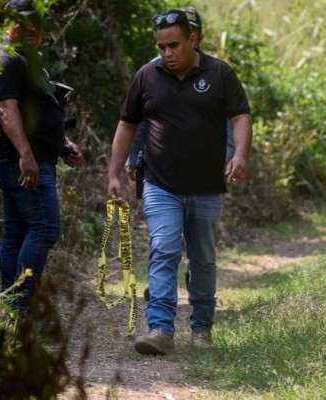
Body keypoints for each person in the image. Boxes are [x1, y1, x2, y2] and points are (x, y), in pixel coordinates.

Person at [107, 9, 252, 355]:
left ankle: (201, 330)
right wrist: (114, 172)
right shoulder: (147, 76)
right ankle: (160, 329)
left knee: (202, 258)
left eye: (174, 45)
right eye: (161, 46)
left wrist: (241, 155)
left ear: (194, 39)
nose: (167, 53)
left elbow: (240, 116)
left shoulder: (220, 73)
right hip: (160, 183)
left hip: (206, 187)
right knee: (164, 249)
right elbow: (127, 126)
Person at [0, 0, 82, 315]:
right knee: (44, 227)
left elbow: (34, 112)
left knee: (19, 230)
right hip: (21, 161)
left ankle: (13, 307)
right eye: (24, 25)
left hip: (30, 158)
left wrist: (62, 143)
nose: (33, 32)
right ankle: (22, 307)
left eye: (37, 26)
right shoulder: (7, 60)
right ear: (8, 26)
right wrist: (26, 154)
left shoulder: (27, 62)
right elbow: (6, 109)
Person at [124, 6, 234, 179]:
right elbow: (140, 118)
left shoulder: (214, 71)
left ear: (197, 38)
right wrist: (133, 155)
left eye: (194, 32)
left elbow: (227, 116)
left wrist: (229, 151)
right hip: (160, 170)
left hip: (203, 169)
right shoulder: (152, 72)